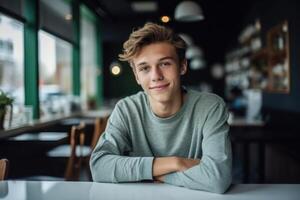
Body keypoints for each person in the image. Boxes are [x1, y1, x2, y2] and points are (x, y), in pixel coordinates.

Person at [90, 22, 232, 194]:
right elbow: (99, 166)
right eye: (144, 68)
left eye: (165, 64)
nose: (155, 76)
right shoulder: (126, 109)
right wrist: (175, 163)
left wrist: (159, 176)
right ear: (136, 76)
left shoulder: (210, 107)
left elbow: (218, 179)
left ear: (182, 66)